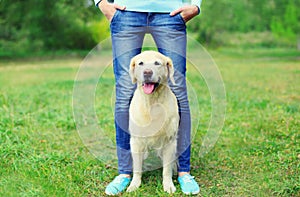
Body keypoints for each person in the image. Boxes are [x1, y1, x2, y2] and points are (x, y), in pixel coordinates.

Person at [94, 0, 202, 195]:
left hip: (170, 12)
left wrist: (196, 5)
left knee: (179, 92)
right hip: (126, 12)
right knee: (124, 94)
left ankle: (183, 172)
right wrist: (101, 2)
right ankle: (126, 172)